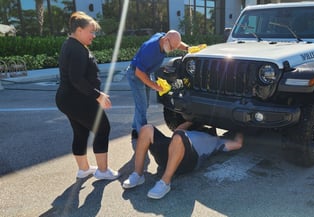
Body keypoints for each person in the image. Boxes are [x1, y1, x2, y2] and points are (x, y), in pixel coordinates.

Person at [55, 11, 119, 180]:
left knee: (81, 131)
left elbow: (78, 77)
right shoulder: (76, 49)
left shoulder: (71, 44)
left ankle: (84, 169)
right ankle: (103, 171)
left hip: (69, 98)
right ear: (79, 30)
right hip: (77, 98)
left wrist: (98, 93)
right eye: (91, 31)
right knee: (103, 128)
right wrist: (98, 96)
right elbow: (76, 79)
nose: (94, 35)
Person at [122, 122, 243, 199]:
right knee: (146, 129)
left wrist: (240, 128)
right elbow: (177, 130)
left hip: (188, 160)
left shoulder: (217, 141)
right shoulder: (188, 132)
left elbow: (237, 144)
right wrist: (192, 119)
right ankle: (138, 174)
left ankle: (165, 182)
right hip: (172, 149)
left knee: (179, 136)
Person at [126, 30, 189, 139]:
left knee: (144, 104)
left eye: (175, 47)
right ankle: (142, 134)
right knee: (142, 105)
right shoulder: (150, 49)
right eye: (172, 47)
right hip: (136, 75)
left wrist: (188, 48)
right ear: (165, 40)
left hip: (145, 72)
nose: (173, 50)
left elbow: (177, 44)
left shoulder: (164, 38)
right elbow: (138, 72)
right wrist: (155, 86)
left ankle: (136, 127)